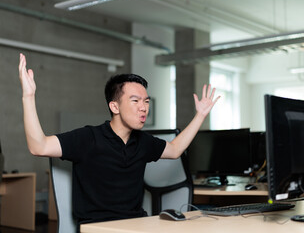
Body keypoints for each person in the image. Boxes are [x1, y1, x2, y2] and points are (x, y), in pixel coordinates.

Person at [18, 53, 220, 227]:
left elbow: (175, 149)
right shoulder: (88, 138)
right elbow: (39, 146)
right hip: (98, 228)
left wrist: (200, 115)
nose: (143, 107)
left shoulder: (143, 141)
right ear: (114, 107)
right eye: (135, 101)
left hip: (135, 225)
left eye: (146, 101)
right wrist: (28, 96)